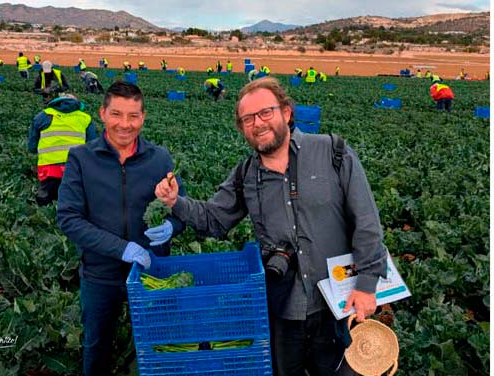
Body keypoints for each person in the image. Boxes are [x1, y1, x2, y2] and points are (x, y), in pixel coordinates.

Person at [154, 77, 388, 376]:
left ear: (286, 112)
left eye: (266, 112)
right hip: (282, 307)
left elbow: (366, 223)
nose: (258, 123)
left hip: (339, 304)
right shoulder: (245, 175)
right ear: (242, 128)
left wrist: (367, 285)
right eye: (248, 119)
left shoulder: (333, 152)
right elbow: (214, 220)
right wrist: (177, 202)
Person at [56, 81, 186, 376]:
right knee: (97, 344)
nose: (124, 125)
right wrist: (121, 248)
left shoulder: (160, 159)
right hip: (100, 273)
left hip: (153, 272)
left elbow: (181, 208)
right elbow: (69, 218)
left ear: (143, 117)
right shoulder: (81, 159)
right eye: (116, 114)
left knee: (158, 342)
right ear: (102, 113)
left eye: (133, 116)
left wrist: (171, 226)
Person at [28, 94, 98, 205]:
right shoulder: (85, 118)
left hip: (48, 167)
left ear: (56, 102)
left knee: (45, 196)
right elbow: (93, 145)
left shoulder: (43, 116)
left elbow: (32, 147)